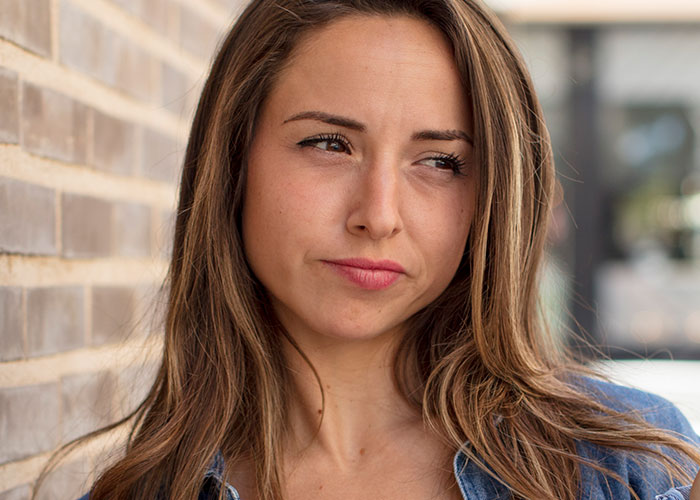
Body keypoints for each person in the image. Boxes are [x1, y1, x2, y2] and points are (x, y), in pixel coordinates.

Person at [47, 0, 700, 499]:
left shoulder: (629, 466)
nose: (379, 216)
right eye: (329, 144)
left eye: (441, 161)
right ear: (234, 164)